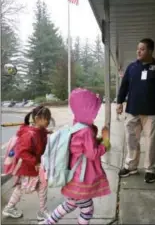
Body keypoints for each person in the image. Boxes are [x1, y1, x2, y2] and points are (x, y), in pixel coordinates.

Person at [40, 88, 111, 225]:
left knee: (70, 204)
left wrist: (97, 140)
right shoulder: (85, 131)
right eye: (93, 110)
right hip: (80, 179)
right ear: (87, 110)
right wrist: (106, 143)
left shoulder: (77, 126)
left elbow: (83, 148)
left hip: (73, 176)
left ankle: (48, 222)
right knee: (87, 210)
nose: (95, 113)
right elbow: (92, 154)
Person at [117, 38, 155, 183]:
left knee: (151, 142)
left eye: (142, 49)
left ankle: (150, 169)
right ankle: (131, 166)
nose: (138, 51)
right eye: (138, 48)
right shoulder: (132, 68)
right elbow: (124, 86)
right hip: (132, 111)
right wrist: (119, 102)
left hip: (152, 113)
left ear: (150, 51)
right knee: (131, 140)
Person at [2, 106, 52, 220]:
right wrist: (36, 162)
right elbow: (22, 152)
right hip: (30, 167)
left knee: (37, 187)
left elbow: (42, 133)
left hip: (32, 167)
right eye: (46, 118)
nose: (48, 121)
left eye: (49, 118)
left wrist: (48, 131)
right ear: (37, 119)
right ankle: (41, 212)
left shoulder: (39, 130)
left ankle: (41, 211)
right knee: (32, 188)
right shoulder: (30, 134)